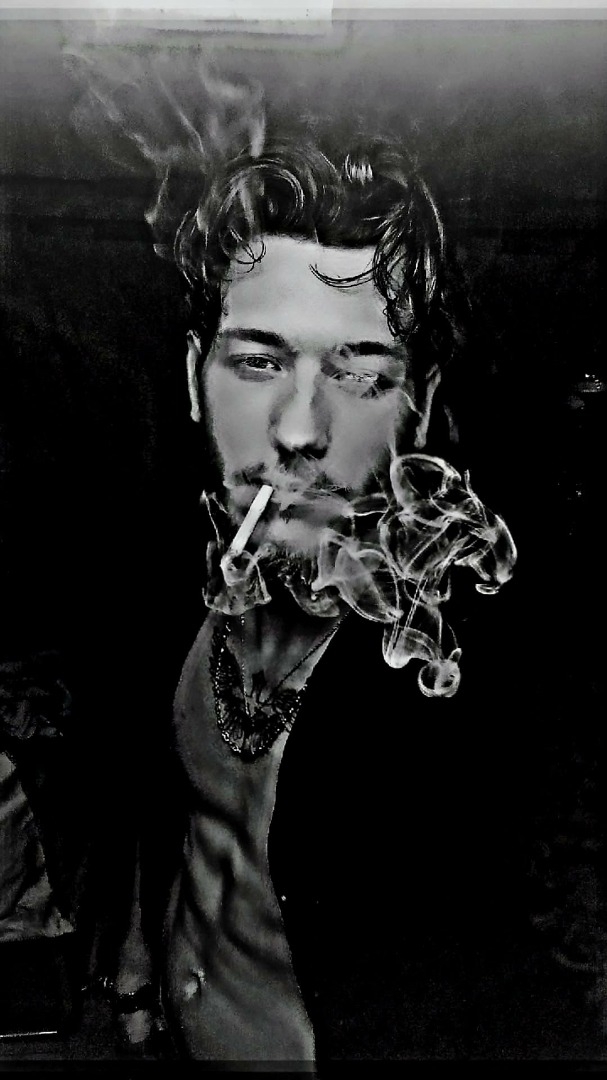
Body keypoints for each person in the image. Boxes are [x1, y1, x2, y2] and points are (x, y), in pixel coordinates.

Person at [110, 140, 601, 1065]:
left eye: (361, 373)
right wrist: (137, 959)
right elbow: (166, 796)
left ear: (420, 405)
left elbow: (563, 942)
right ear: (192, 378)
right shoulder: (176, 567)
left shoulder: (465, 665)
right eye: (258, 363)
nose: (300, 430)